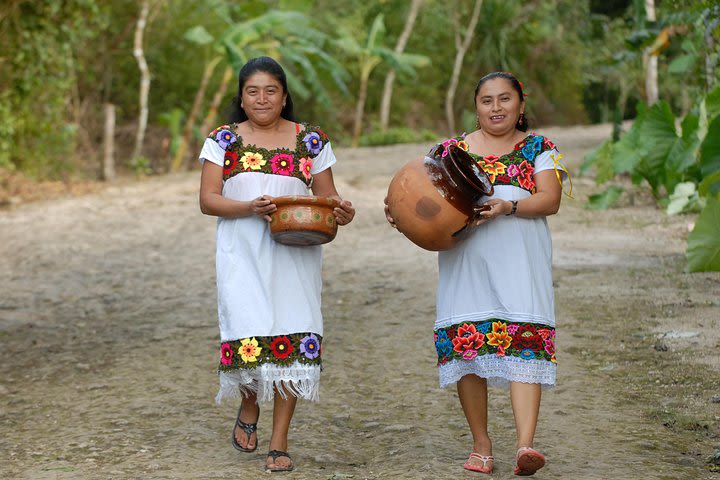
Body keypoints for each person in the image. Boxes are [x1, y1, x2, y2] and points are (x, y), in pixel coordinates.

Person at [386, 71, 566, 476]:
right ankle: (481, 446)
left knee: (526, 345)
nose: (496, 107)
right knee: (469, 347)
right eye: (487, 100)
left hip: (521, 261)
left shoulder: (540, 147)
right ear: (476, 106)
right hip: (465, 263)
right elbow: (417, 192)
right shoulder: (451, 150)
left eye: (505, 99)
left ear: (521, 105)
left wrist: (509, 207)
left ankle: (525, 446)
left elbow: (550, 199)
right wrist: (403, 213)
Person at [198, 56, 355, 473]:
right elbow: (208, 200)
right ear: (242, 97)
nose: (262, 98)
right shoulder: (224, 139)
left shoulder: (312, 141)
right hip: (241, 255)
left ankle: (279, 440)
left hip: (297, 254)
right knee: (249, 333)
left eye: (271, 90)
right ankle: (249, 403)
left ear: (285, 96)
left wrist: (339, 211)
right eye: (253, 91)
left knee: (294, 336)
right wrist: (249, 207)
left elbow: (327, 199)